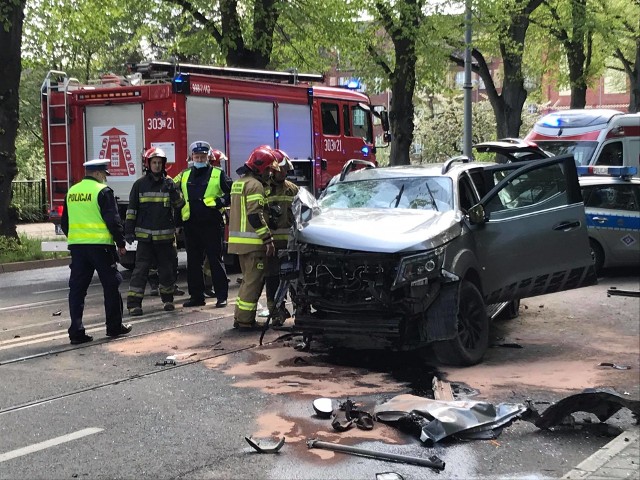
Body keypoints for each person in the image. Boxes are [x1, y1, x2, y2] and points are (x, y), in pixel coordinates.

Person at [61, 159, 132, 344]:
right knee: (111, 284)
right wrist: (121, 242)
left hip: (77, 247)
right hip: (101, 247)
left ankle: (76, 332)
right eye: (105, 175)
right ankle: (114, 327)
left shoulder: (72, 191)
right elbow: (113, 220)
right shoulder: (103, 191)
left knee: (77, 289)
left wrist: (76, 237)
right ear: (99, 173)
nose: (105, 179)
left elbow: (65, 223)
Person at [125, 147, 184, 316]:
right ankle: (134, 304)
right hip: (145, 238)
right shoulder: (139, 185)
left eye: (159, 163)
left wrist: (173, 191)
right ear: (148, 164)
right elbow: (132, 210)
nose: (157, 166)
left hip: (165, 238)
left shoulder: (169, 183)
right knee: (140, 271)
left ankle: (168, 300)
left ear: (164, 164)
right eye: (154, 163)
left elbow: (180, 206)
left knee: (167, 270)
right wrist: (128, 232)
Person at [228, 146, 280, 330]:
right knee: (253, 283)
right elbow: (254, 215)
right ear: (260, 167)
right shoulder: (255, 185)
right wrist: (267, 238)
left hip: (240, 243)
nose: (269, 173)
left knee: (247, 281)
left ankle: (242, 318)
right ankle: (244, 321)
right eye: (267, 169)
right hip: (254, 244)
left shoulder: (239, 183)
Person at [178, 141, 232, 308]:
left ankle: (221, 296)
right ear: (192, 157)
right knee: (193, 262)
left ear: (208, 157)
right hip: (191, 224)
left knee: (215, 261)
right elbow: (172, 190)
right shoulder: (185, 174)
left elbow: (232, 193)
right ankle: (196, 296)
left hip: (212, 224)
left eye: (202, 156)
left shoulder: (218, 173)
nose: (199, 159)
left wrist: (219, 202)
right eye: (196, 156)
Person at [264, 150, 299, 326]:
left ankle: (300, 311)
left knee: (294, 279)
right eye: (280, 169)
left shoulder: (293, 189)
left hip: (290, 245)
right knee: (272, 278)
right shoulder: (263, 190)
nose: (283, 172)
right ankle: (276, 311)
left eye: (285, 169)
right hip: (271, 244)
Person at [203, 148, 230, 297]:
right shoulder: (213, 177)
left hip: (215, 221)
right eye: (219, 162)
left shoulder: (216, 177)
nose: (220, 165)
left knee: (212, 257)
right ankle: (208, 285)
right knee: (212, 258)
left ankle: (210, 283)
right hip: (210, 223)